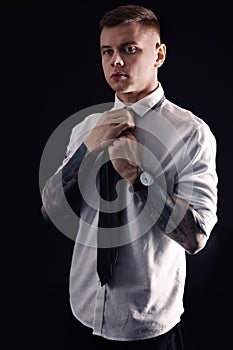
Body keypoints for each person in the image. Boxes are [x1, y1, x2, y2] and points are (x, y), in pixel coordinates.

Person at [40, 4, 218, 350]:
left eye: (129, 49)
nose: (115, 61)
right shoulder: (85, 128)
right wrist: (87, 151)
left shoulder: (190, 133)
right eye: (107, 51)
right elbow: (51, 210)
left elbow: (196, 237)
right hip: (83, 311)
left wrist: (139, 177)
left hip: (147, 325)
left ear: (159, 54)